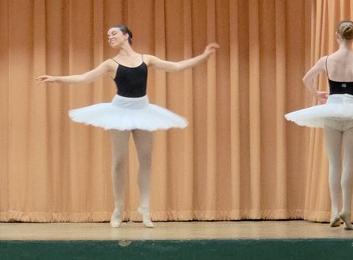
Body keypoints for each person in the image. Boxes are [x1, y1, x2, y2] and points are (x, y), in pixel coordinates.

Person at [38, 24, 218, 228]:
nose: (109, 37)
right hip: (119, 112)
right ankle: (118, 207)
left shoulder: (147, 59)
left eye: (113, 33)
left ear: (126, 36)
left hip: (143, 111)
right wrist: (56, 79)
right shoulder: (110, 64)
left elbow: (176, 67)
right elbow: (83, 78)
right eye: (107, 35)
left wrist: (203, 57)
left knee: (146, 161)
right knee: (119, 160)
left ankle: (145, 208)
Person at [285, 20, 353, 230]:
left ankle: (335, 210)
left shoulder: (326, 60)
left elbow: (307, 79)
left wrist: (316, 94)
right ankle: (347, 211)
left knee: (334, 163)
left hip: (332, 110)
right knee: (349, 163)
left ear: (337, 36)